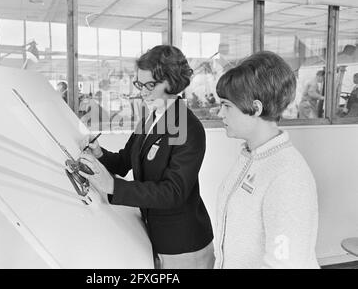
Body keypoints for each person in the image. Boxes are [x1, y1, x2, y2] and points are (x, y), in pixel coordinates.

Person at [78, 45, 214, 269]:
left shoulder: (187, 126)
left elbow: (173, 192)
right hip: (155, 236)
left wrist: (114, 186)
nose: (143, 92)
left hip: (183, 245)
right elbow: (125, 160)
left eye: (150, 85)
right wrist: (100, 154)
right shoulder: (151, 117)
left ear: (172, 82)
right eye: (140, 84)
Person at [214, 51, 319, 269]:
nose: (219, 113)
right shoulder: (251, 157)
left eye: (226, 105)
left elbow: (286, 264)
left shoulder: (287, 175)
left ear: (256, 108)